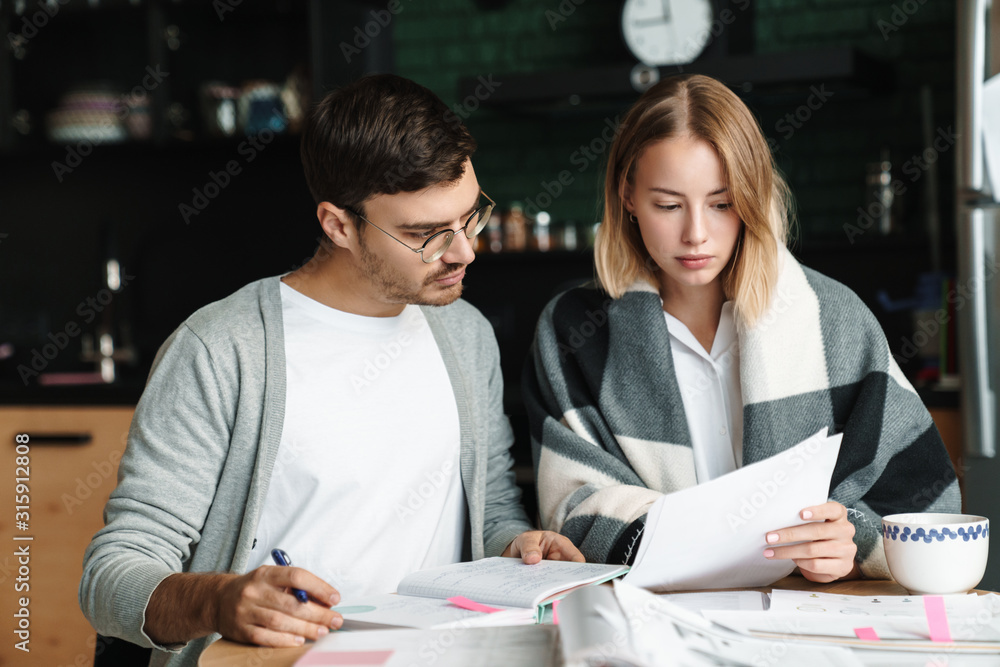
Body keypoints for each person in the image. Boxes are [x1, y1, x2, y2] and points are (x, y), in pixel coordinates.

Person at [80, 74, 582, 667]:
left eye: (470, 218)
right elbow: (110, 576)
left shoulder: (464, 333)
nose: (464, 252)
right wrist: (219, 600)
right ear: (338, 225)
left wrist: (517, 545)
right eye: (426, 235)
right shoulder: (222, 349)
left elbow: (492, 502)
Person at [523, 74, 959, 582]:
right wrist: (714, 541)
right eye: (667, 205)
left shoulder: (834, 320)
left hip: (804, 625)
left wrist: (852, 541)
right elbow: (571, 509)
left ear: (752, 196)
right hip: (650, 625)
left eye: (722, 203)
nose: (696, 234)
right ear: (627, 195)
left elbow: (929, 510)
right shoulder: (573, 332)